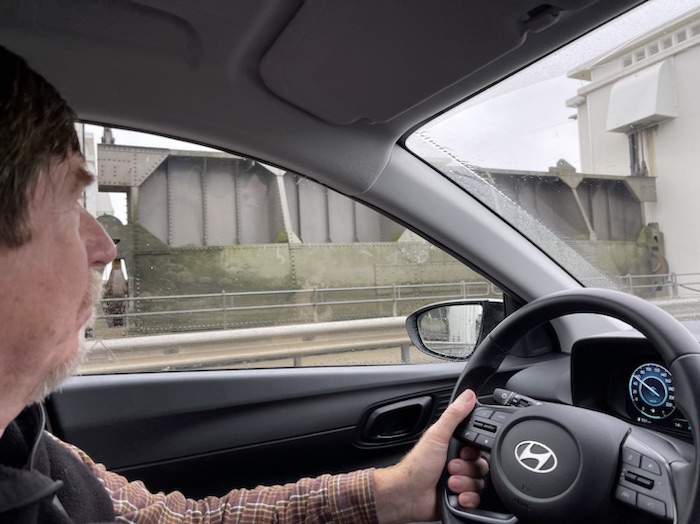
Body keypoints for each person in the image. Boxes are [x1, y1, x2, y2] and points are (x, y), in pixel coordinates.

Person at [0, 44, 488, 523]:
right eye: (68, 202)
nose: (104, 247)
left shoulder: (28, 443)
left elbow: (176, 520)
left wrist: (394, 495)